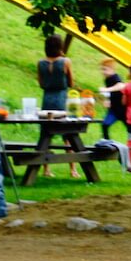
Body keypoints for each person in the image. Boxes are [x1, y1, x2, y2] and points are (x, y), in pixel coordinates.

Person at [37, 34, 77, 178]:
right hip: (61, 99)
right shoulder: (65, 62)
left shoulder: (41, 63)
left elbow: (41, 83)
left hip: (47, 99)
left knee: (46, 135)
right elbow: (71, 83)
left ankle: (46, 169)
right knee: (68, 135)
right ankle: (73, 169)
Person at [99, 58, 125, 140]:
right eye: (102, 69)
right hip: (113, 109)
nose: (103, 72)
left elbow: (121, 86)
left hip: (123, 110)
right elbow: (110, 93)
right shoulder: (107, 79)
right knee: (105, 124)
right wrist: (107, 100)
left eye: (105, 69)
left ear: (112, 69)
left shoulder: (115, 77)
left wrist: (107, 89)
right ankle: (107, 142)